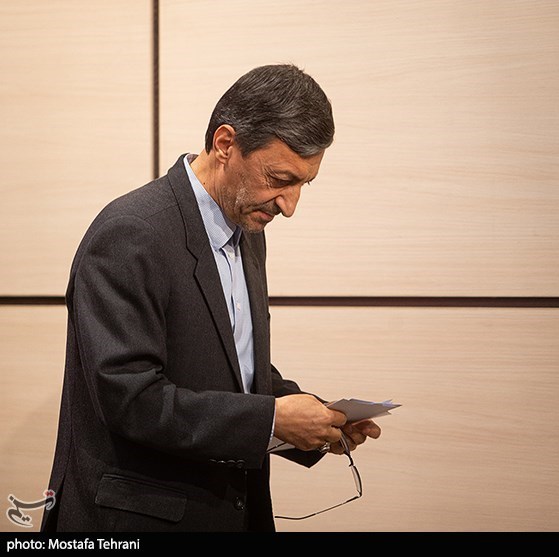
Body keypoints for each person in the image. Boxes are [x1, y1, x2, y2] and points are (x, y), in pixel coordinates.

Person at [41, 64, 381, 532]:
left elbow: (234, 370)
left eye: (303, 185)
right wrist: (272, 420)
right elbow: (131, 400)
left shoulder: (249, 230)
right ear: (225, 144)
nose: (290, 206)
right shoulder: (130, 233)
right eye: (279, 178)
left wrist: (318, 421)